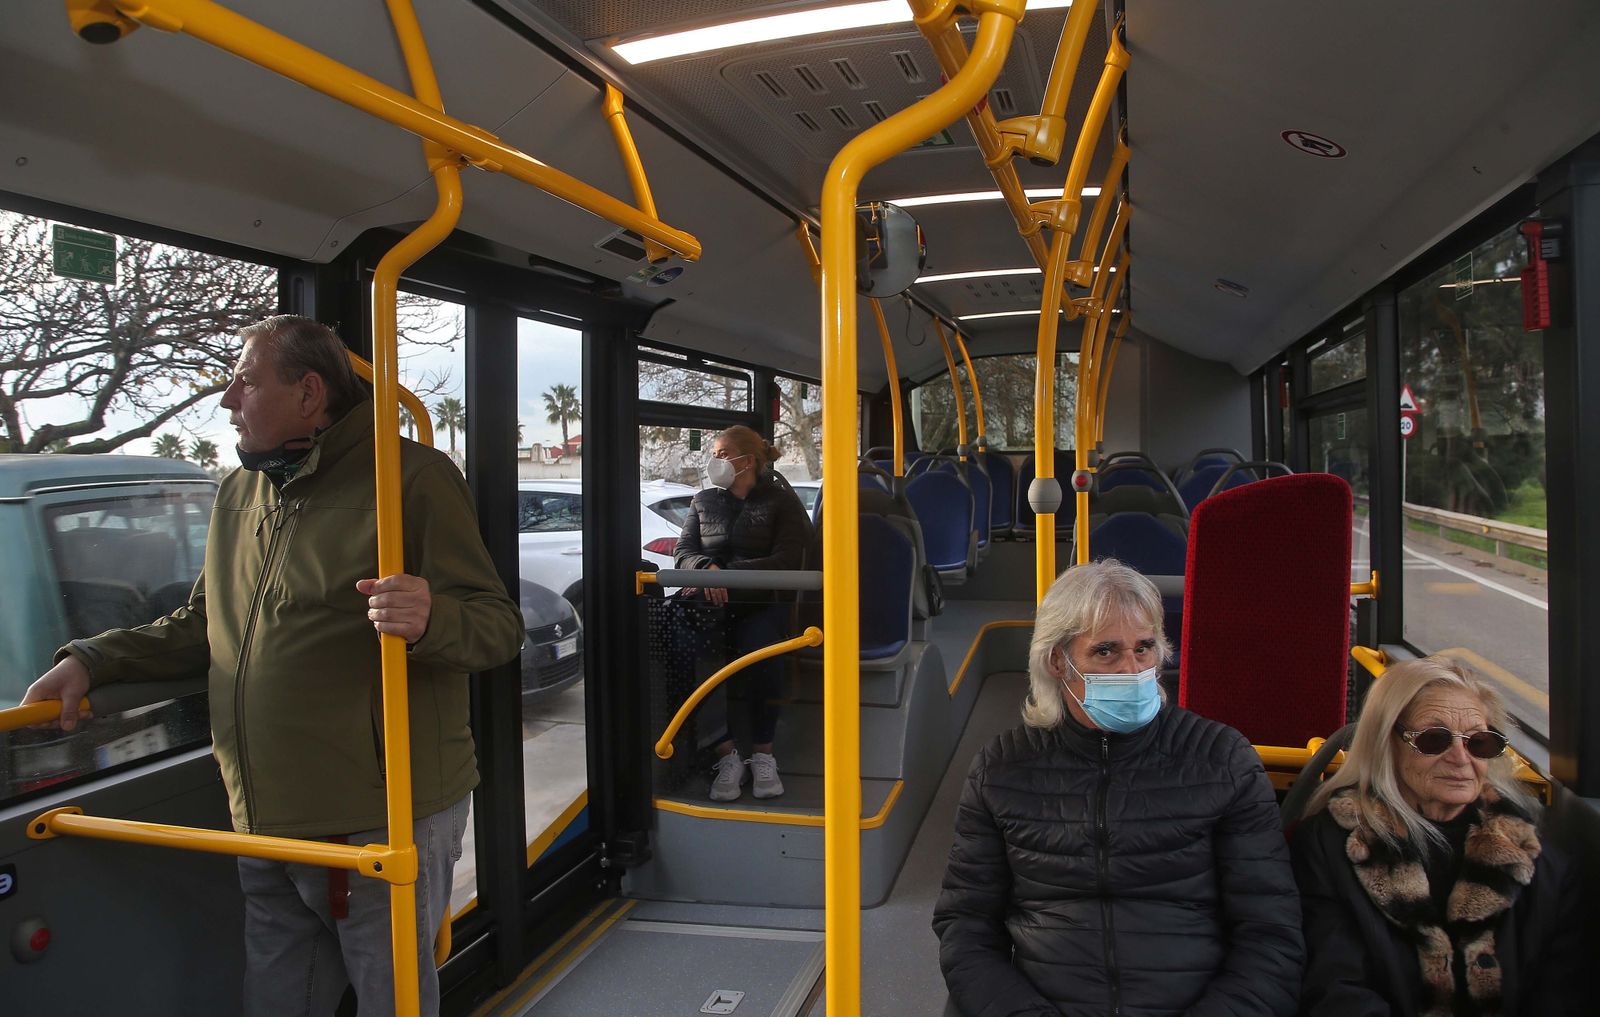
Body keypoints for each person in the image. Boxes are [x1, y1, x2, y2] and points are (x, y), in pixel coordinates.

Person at [20, 315, 524, 1017]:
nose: (229, 400)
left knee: (392, 996)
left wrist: (432, 617)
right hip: (260, 808)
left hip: (375, 812)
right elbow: (206, 622)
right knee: (279, 994)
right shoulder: (238, 492)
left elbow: (498, 626)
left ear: (309, 393)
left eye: (246, 382)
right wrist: (93, 659)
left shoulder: (410, 478)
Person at [932, 559, 1303, 1016]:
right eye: (1106, 651)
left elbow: (1271, 934)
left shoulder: (1222, 760)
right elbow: (965, 928)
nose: (1132, 669)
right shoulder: (1003, 769)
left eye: (1144, 648)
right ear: (1058, 661)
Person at [1291, 656, 1581, 1017]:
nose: (1460, 758)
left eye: (1479, 743)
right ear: (1385, 743)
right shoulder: (1331, 847)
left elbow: (1563, 994)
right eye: (1434, 740)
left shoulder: (1538, 863)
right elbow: (1335, 988)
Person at [673, 425, 811, 802]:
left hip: (762, 602)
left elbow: (787, 560)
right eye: (714, 455)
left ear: (747, 461)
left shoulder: (782, 503)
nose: (714, 461)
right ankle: (726, 753)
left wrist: (728, 576)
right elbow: (683, 552)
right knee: (689, 651)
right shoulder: (703, 501)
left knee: (762, 651)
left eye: (721, 454)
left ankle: (763, 754)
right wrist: (706, 568)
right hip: (712, 604)